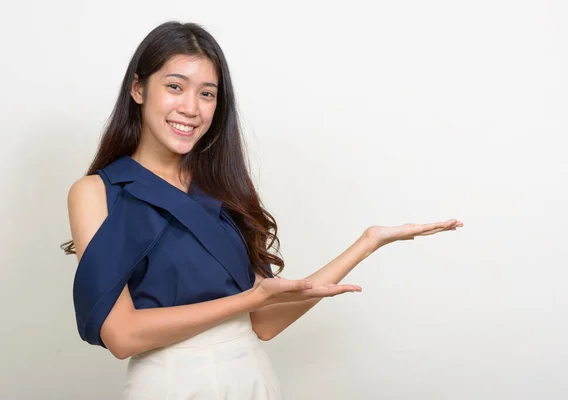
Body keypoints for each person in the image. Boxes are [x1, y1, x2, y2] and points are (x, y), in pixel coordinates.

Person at [63, 21, 463, 400]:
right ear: (138, 89)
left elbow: (265, 322)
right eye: (174, 87)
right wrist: (250, 300)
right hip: (169, 386)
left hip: (252, 380)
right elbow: (122, 336)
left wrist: (368, 242)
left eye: (207, 93)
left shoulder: (218, 190)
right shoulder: (97, 192)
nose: (191, 107)